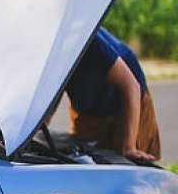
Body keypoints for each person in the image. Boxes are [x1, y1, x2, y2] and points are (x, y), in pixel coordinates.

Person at [52, 27, 161, 162]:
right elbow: (52, 93)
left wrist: (129, 147)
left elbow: (131, 87)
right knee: (86, 162)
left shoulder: (87, 40)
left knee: (130, 163)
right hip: (88, 108)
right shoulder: (45, 52)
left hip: (127, 100)